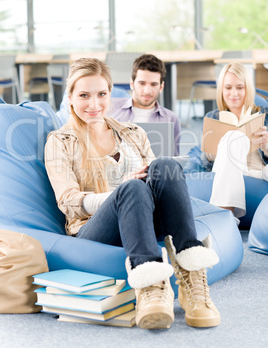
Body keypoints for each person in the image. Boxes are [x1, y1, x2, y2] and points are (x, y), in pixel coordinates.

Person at [45, 57, 220, 330]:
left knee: (165, 165)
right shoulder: (60, 141)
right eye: (84, 95)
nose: (94, 104)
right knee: (132, 186)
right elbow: (67, 201)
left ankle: (192, 274)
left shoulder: (133, 133)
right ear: (69, 97)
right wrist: (119, 193)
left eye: (102, 94)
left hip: (141, 215)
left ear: (111, 94)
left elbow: (156, 183)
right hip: (93, 229)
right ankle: (149, 285)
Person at [201, 63, 268, 222]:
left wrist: (266, 146)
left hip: (260, 172)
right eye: (228, 88)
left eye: (240, 87)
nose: (234, 93)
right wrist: (211, 152)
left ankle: (221, 220)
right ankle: (226, 217)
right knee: (233, 137)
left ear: (248, 89)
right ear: (221, 90)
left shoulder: (265, 114)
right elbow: (205, 162)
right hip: (231, 172)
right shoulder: (213, 116)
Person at [109, 54, 181, 155]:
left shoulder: (171, 119)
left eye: (153, 84)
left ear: (161, 87)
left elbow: (173, 160)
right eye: (142, 83)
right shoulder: (110, 109)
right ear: (132, 84)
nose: (147, 91)